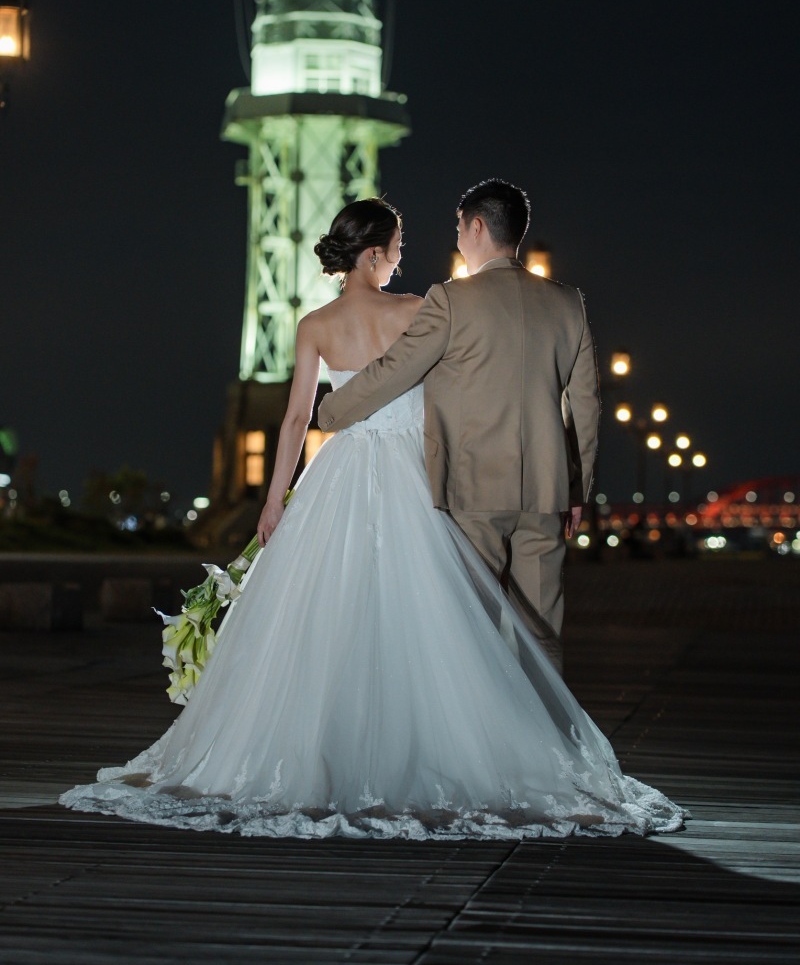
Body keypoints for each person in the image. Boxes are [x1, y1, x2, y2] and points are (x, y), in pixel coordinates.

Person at [60, 198, 683, 840]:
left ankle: (337, 743)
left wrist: (280, 492)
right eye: (400, 248)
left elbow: (306, 414)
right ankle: (519, 748)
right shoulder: (437, 307)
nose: (405, 258)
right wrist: (564, 471)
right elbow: (493, 387)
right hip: (438, 475)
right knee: (460, 623)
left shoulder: (320, 324)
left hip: (349, 472)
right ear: (376, 253)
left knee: (331, 612)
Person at [319, 179, 599, 673]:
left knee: (475, 629)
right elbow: (586, 408)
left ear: (476, 227)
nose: (458, 242)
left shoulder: (451, 301)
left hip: (472, 489)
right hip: (546, 491)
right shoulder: (568, 303)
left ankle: (488, 742)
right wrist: (577, 490)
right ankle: (549, 741)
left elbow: (393, 371)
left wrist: (333, 412)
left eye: (459, 230)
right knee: (543, 632)